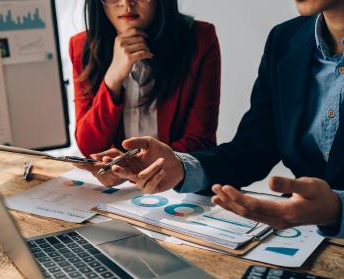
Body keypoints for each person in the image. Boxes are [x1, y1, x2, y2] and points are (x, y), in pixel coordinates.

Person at [95, 0, 344, 238]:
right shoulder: (285, 39)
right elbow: (253, 149)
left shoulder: (198, 38)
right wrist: (181, 167)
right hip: (307, 239)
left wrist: (337, 210)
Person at [69, 0, 221, 182]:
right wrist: (113, 78)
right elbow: (90, 147)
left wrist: (139, 167)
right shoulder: (82, 45)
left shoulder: (200, 38)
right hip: (116, 188)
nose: (126, 3)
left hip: (177, 185)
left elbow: (200, 141)